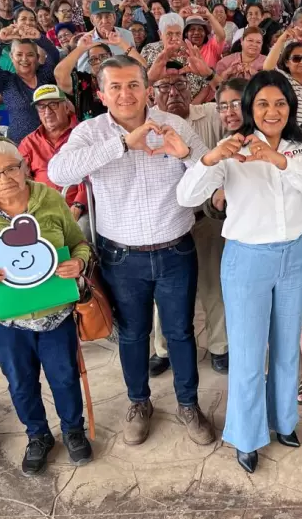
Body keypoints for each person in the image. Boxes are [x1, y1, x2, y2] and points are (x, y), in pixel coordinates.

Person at [47, 56, 215, 448]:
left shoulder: (174, 125)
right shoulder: (90, 133)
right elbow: (59, 172)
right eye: (116, 87)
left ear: (147, 89)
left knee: (180, 332)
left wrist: (184, 154)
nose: (126, 94)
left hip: (175, 250)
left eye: (133, 85)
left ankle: (188, 404)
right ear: (102, 93)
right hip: (121, 256)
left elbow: (210, 176)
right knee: (133, 334)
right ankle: (139, 402)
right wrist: (123, 143)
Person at [176, 71, 302, 474]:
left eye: (280, 103)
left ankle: (284, 422)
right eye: (262, 104)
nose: (272, 111)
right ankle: (246, 435)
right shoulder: (233, 149)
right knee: (247, 352)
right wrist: (210, 158)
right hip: (247, 259)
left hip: (293, 255)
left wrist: (276, 159)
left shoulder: (300, 146)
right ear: (249, 109)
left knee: (285, 345)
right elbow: (186, 196)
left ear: (290, 106)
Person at [0, 138, 92, 476]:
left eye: (10, 169)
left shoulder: (49, 198)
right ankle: (37, 435)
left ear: (24, 167)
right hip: (5, 319)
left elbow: (78, 243)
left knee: (65, 377)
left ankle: (73, 430)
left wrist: (78, 262)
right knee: (20, 382)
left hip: (55, 312)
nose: (3, 178)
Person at [147, 66, 228, 376]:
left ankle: (220, 346)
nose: (173, 92)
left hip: (205, 216)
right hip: (166, 220)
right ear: (153, 94)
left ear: (191, 89)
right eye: (164, 87)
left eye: (179, 85)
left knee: (213, 284)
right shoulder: (148, 123)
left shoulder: (208, 114)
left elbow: (232, 103)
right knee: (165, 291)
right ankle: (163, 349)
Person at [17, 85, 87, 219]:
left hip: (79, 208)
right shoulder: (29, 142)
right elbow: (21, 178)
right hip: (42, 209)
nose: (47, 112)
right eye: (41, 107)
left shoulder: (83, 133)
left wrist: (78, 206)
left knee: (83, 230)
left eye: (53, 104)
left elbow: (90, 176)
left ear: (66, 107)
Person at [0, 38, 60, 143]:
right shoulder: (6, 81)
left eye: (30, 55)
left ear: (37, 57)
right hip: (21, 145)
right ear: (11, 57)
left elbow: (54, 54)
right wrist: (0, 41)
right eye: (19, 55)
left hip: (52, 142)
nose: (24, 59)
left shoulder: (46, 75)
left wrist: (38, 36)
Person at [53, 37, 113, 121]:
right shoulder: (83, 81)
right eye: (93, 59)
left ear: (111, 56)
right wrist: (81, 49)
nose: (99, 62)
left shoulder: (123, 77)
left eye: (103, 56)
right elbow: (59, 74)